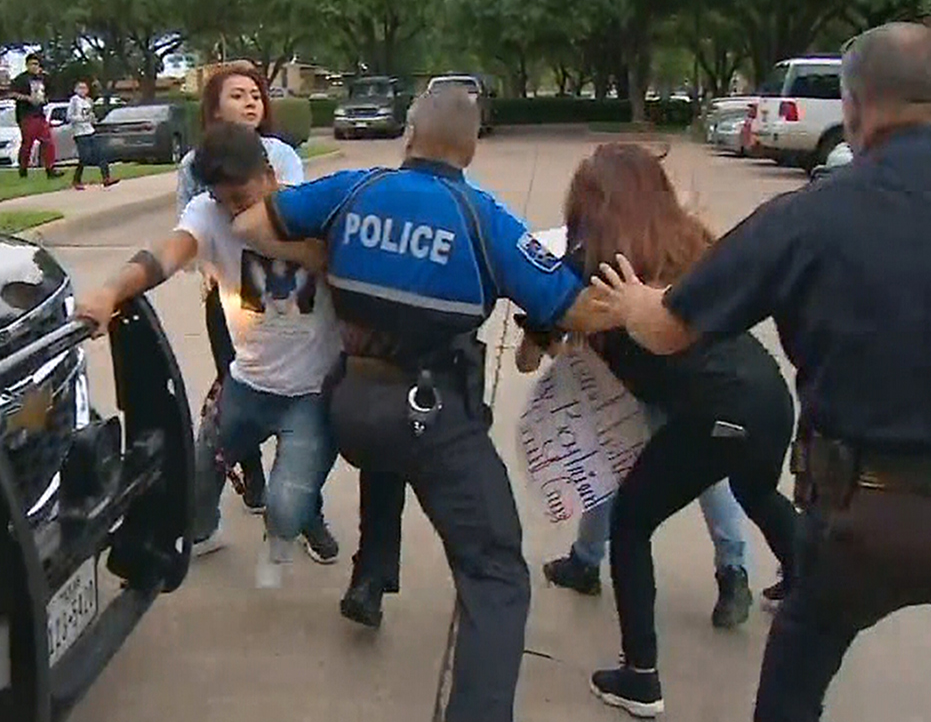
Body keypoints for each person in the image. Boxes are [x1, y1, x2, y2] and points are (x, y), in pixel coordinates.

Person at [592, 22, 931, 722]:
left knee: (794, 684)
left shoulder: (804, 218)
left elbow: (668, 329)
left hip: (858, 519)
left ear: (853, 108)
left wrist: (632, 301)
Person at [229, 84, 615, 722]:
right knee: (495, 572)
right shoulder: (482, 219)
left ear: (409, 130)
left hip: (349, 408)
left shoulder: (350, 191)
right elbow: (575, 307)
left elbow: (249, 223)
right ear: (472, 143)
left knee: (391, 454)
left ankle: (373, 574)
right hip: (433, 416)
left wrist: (330, 254)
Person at [514, 142, 799, 718]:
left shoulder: (589, 264)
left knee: (632, 522)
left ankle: (640, 676)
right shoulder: (688, 242)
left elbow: (528, 357)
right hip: (769, 398)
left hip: (714, 411)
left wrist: (541, 316)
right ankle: (809, 580)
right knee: (755, 489)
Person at [76, 122, 340, 587]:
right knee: (190, 486)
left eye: (244, 195)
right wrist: (110, 291)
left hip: (311, 394)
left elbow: (337, 259)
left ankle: (288, 532)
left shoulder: (310, 205)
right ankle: (204, 531)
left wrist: (273, 241)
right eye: (226, 200)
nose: (235, 210)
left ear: (269, 172)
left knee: (285, 508)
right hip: (245, 384)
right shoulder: (208, 211)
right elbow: (167, 254)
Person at [175, 63, 339, 565]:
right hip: (236, 316)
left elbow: (276, 216)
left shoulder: (282, 159)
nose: (250, 103)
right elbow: (186, 229)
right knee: (224, 425)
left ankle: (302, 507)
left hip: (298, 327)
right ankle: (237, 495)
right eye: (237, 96)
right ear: (213, 109)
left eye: (256, 95)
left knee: (292, 485)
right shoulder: (195, 173)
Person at [523, 331, 758, 628]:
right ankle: (733, 571)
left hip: (652, 364)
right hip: (691, 367)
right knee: (705, 472)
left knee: (611, 454)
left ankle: (585, 559)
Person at [7, 54, 61, 179]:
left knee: (48, 141)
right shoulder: (21, 79)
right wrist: (27, 98)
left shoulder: (43, 78)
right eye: (32, 64)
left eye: (36, 64)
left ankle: (50, 168)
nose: (34, 66)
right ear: (27, 65)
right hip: (26, 115)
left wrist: (46, 99)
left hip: (39, 114)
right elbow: (12, 93)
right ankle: (23, 168)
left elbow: (51, 90)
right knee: (28, 144)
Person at [68, 80, 117, 190]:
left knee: (100, 153)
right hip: (80, 133)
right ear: (76, 89)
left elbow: (90, 114)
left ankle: (106, 178)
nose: (83, 90)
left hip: (90, 130)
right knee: (84, 157)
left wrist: (92, 119)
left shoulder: (88, 101)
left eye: (85, 88)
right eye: (80, 88)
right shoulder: (74, 101)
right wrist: (82, 119)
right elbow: (70, 117)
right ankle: (76, 180)